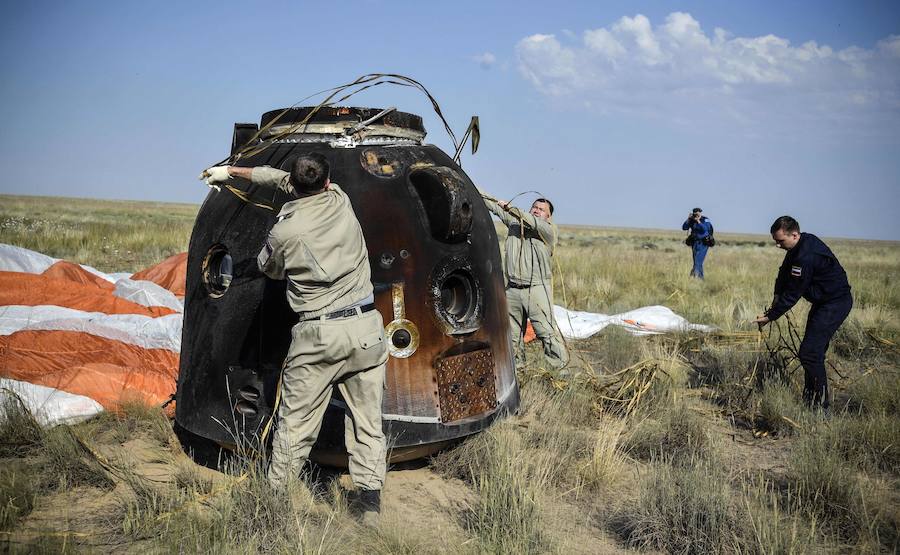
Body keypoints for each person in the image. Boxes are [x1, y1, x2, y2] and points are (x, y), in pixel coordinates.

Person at [203, 155, 388, 525]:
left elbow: (269, 268)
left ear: (297, 183)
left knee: (295, 422)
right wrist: (237, 174)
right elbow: (289, 181)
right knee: (367, 422)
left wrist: (230, 173)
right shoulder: (341, 200)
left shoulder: (284, 232)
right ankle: (369, 505)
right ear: (327, 180)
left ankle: (273, 503)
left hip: (319, 335)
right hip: (367, 329)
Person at [753, 216, 852, 410]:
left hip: (835, 304)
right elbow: (784, 272)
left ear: (794, 234)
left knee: (809, 353)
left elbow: (794, 293)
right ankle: (810, 401)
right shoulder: (800, 245)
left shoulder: (806, 256)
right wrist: (776, 295)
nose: (778, 246)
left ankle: (822, 408)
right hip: (823, 302)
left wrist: (770, 316)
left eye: (780, 241)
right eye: (775, 241)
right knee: (813, 353)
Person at [480, 192, 569, 370]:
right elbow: (492, 204)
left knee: (546, 332)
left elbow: (531, 221)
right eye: (534, 207)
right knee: (512, 334)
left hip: (536, 289)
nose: (536, 211)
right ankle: (518, 369)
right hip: (512, 289)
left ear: (548, 216)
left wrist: (511, 208)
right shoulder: (514, 223)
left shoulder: (548, 231)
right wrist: (472, 186)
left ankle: (560, 373)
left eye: (541, 210)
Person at [682, 207, 714, 279]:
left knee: (697, 261)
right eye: (695, 212)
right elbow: (684, 228)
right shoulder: (692, 220)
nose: (697, 214)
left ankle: (693, 276)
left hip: (704, 243)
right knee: (697, 261)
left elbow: (705, 230)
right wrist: (688, 219)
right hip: (695, 243)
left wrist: (699, 221)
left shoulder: (705, 219)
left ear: (701, 213)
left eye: (698, 212)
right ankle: (701, 279)